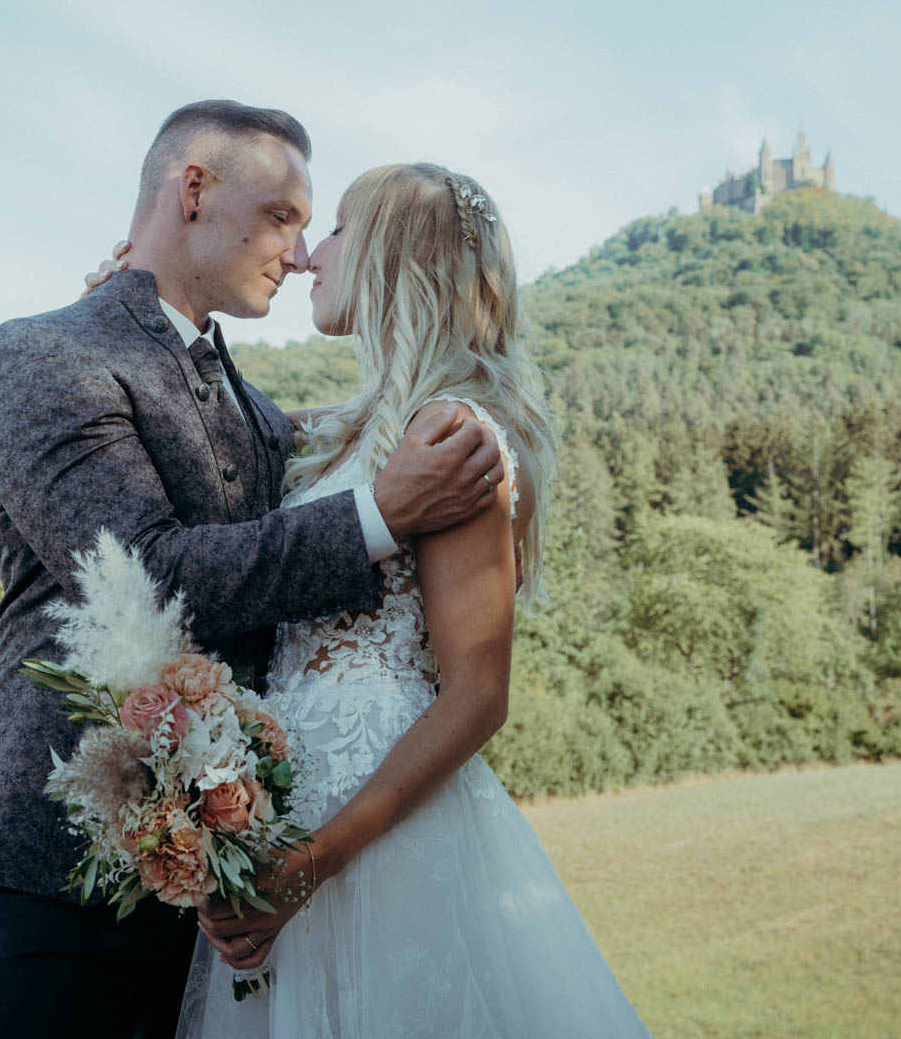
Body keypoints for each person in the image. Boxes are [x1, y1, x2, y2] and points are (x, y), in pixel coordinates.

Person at [0, 102, 505, 1039]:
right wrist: (379, 513)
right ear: (193, 189)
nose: (301, 251)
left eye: (315, 228)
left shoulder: (263, 412)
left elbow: (348, 442)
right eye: (281, 217)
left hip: (219, 897)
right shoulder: (44, 356)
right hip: (53, 863)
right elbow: (139, 572)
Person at [170, 163, 653, 1038]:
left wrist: (310, 867)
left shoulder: (454, 433)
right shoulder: (351, 430)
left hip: (378, 842)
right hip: (288, 812)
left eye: (340, 228)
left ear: (393, 253)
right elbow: (235, 422)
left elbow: (478, 693)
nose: (311, 256)